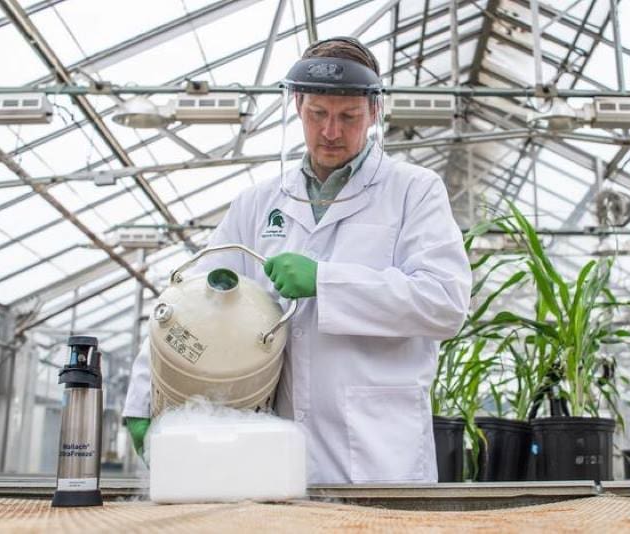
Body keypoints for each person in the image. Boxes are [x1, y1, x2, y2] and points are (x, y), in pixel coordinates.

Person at [122, 37, 471, 484]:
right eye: (317, 114)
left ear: (374, 112)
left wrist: (325, 282)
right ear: (296, 104)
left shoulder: (413, 191)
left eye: (348, 117)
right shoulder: (258, 204)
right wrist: (141, 396)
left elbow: (445, 302)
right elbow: (188, 300)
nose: (331, 132)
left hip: (381, 450)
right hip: (279, 450)